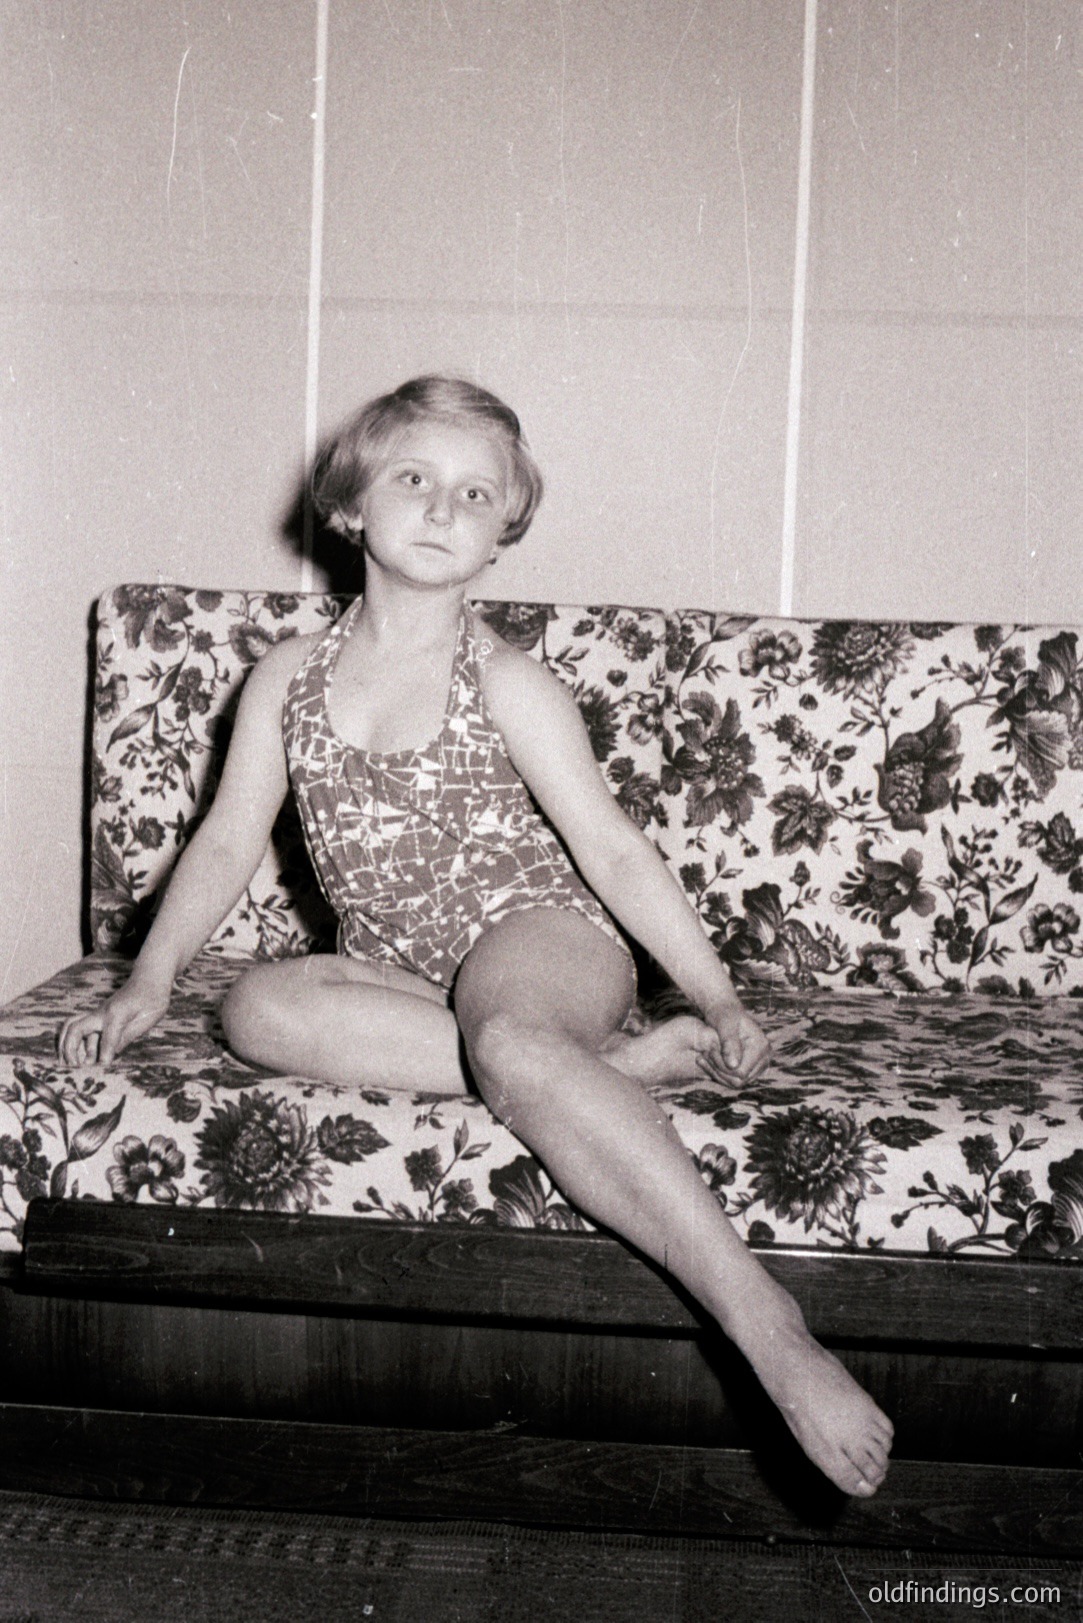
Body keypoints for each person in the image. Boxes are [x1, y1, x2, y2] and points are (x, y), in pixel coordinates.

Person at [59, 375, 893, 1497]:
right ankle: (589, 1072)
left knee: (507, 1029)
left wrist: (720, 997)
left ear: (507, 528)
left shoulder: (508, 684)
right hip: (401, 969)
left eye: (476, 492)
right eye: (415, 479)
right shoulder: (286, 680)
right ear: (352, 505)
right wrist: (147, 981)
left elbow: (614, 855)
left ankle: (768, 1324)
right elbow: (220, 844)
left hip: (540, 934)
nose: (445, 508)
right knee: (254, 1009)